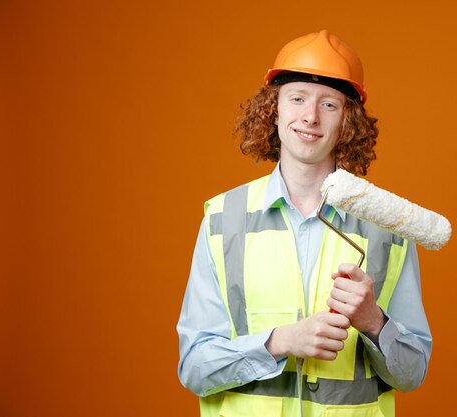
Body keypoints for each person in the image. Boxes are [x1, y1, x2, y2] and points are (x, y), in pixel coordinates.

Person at [177, 30, 432, 417]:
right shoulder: (222, 219)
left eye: (329, 104)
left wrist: (374, 323)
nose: (310, 117)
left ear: (348, 120)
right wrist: (279, 342)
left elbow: (412, 375)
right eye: (297, 99)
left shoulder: (387, 229)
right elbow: (193, 367)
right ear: (274, 109)